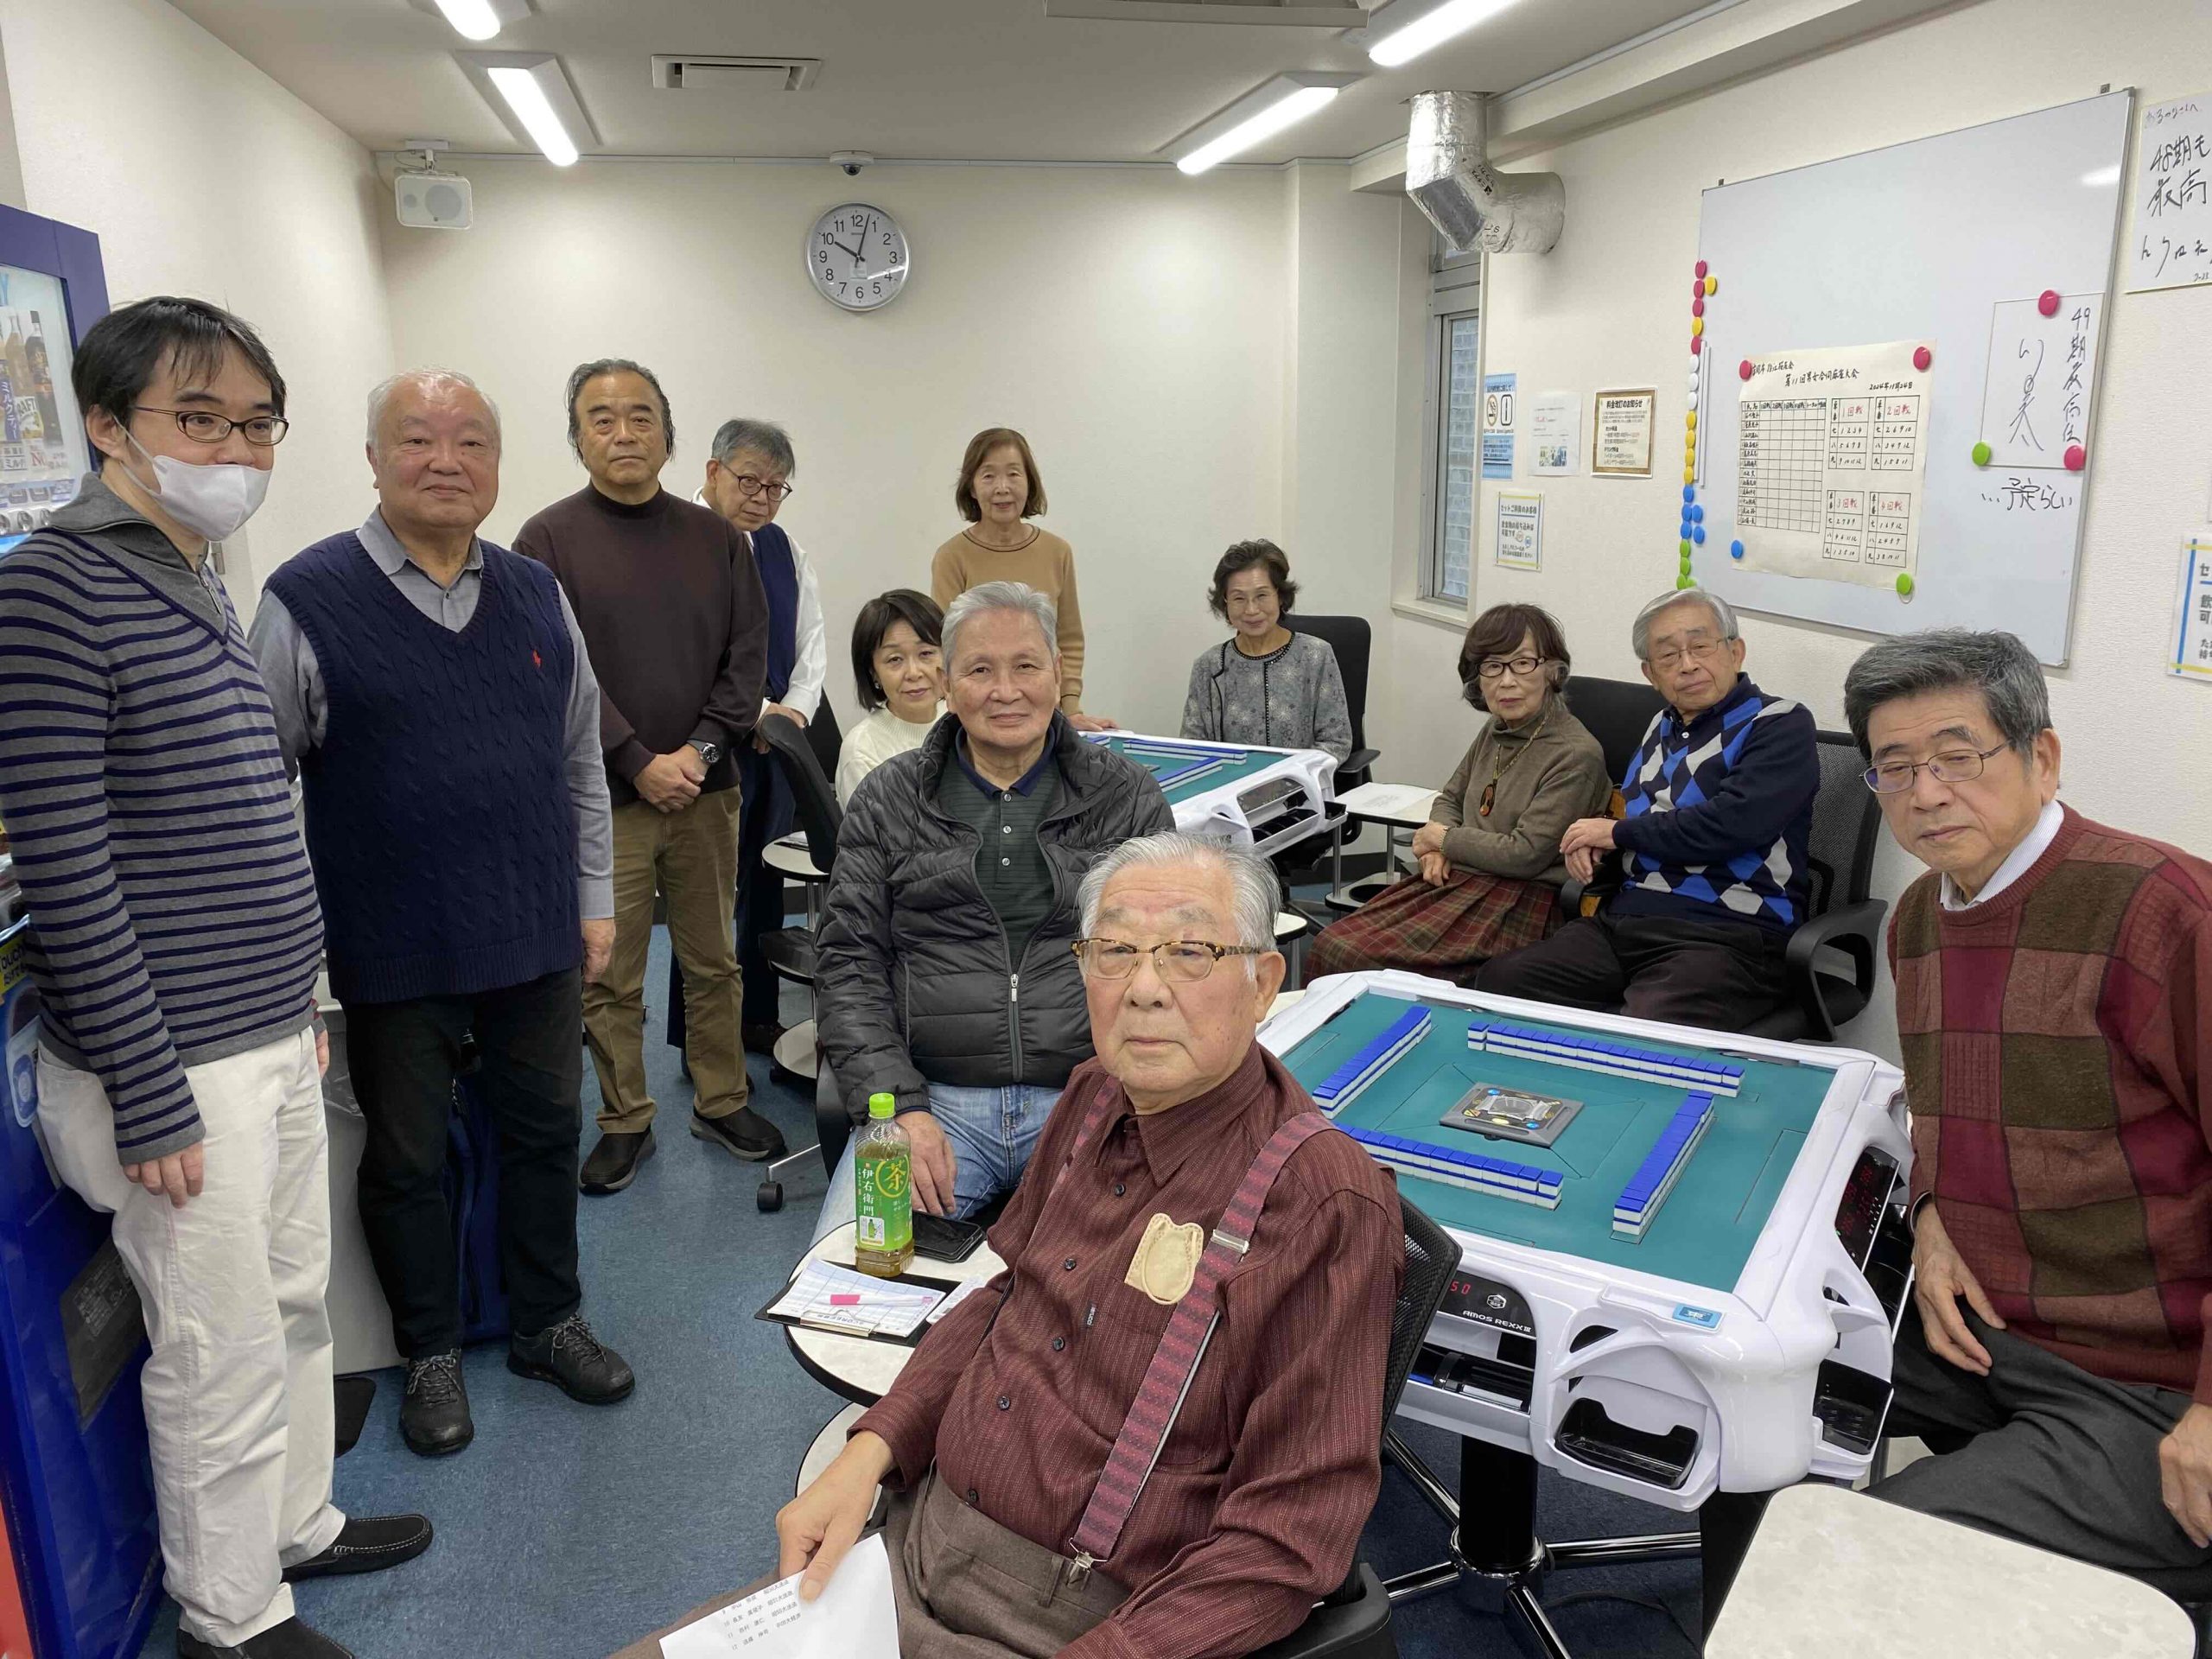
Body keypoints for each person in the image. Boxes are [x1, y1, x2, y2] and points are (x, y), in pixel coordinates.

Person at [620, 833, 1403, 1659]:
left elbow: (1287, 1540)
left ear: (1263, 983)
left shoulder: (1324, 1205)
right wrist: (871, 1450)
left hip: (1078, 1626)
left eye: (1190, 952)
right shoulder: (1094, 1096)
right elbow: (1005, 1296)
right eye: (1115, 951)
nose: (1144, 989)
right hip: (911, 1539)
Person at [0, 297, 427, 1659]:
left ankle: (293, 1524)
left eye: (257, 425)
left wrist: (301, 1000)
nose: (236, 452)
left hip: (265, 1033)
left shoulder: (192, 571)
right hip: (173, 1066)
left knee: (295, 1298)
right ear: (108, 427)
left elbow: (231, 816)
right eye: (200, 421)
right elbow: (67, 863)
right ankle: (229, 1616)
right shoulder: (52, 588)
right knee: (217, 1342)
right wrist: (147, 1087)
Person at [251, 370, 633, 1460]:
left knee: (545, 1132)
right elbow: (260, 784)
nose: (446, 460)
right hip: (390, 943)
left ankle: (548, 1321)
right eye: (417, 439)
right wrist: (293, 953)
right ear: (373, 459)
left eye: (472, 441)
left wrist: (594, 903)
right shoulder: (305, 596)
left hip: (534, 927)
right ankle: (427, 1351)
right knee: (408, 1157)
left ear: (498, 464)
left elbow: (579, 761)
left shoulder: (536, 593)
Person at [1842, 629, 2212, 1579]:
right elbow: (1939, 1109)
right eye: (1895, 767)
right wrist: (1930, 1214)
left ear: (2041, 758)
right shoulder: (1920, 919)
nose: (1926, 793)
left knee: (1865, 1563)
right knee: (1735, 1390)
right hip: (1983, 1330)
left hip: (2150, 1380)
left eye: (1957, 756)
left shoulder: (2162, 911)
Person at [813, 582, 1173, 1224]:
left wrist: (1135, 1097)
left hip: (1091, 1099)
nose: (1005, 691)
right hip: (931, 1102)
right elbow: (849, 964)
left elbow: (1167, 957)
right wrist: (898, 1109)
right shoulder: (888, 799)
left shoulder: (1125, 797)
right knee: (851, 1275)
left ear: (1057, 673)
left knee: (1151, 1273)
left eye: (1025, 666)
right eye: (980, 670)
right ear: (948, 684)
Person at [515, 359, 777, 1195]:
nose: (623, 433)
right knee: (610, 971)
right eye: (602, 418)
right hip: (603, 801)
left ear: (668, 434)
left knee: (714, 961)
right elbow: (548, 670)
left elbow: (747, 659)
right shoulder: (545, 541)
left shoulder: (718, 540)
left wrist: (697, 754)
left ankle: (722, 1099)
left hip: (707, 791)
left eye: (640, 417)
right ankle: (625, 1120)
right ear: (577, 437)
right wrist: (634, 758)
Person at [1476, 586, 1818, 1031]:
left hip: (1732, 932)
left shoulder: (1779, 722)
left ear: (1735, 651)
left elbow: (1732, 824)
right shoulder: (1660, 725)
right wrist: (1604, 846)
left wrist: (1616, 834)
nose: (1687, 664)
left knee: (1646, 1030)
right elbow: (1648, 818)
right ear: (1650, 674)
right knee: (1500, 983)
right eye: (1668, 656)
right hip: (1629, 920)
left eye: (1700, 646)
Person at [1309, 603, 1608, 982]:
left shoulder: (1576, 754)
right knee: (1332, 941)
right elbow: (1450, 798)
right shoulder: (1498, 729)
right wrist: (1437, 847)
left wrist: (1443, 840)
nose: (1507, 681)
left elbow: (1525, 854)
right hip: (1461, 878)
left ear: (1552, 670)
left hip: (1520, 899)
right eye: (1493, 666)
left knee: (1360, 961)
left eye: (1523, 663)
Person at [677, 418, 826, 1058]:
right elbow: (684, 647)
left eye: (776, 487)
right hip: (705, 744)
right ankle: (698, 1038)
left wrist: (792, 712)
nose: (763, 498)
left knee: (767, 881)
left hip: (776, 746)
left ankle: (759, 1017)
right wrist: (756, 711)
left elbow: (811, 639)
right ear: (713, 472)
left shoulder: (784, 549)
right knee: (705, 896)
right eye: (749, 482)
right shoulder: (677, 539)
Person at [929, 426, 1115, 731]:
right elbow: (945, 647)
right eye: (988, 476)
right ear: (971, 488)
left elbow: (1068, 638)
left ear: (1030, 482)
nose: (1002, 487)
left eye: (1014, 474)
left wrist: (1070, 707)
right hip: (978, 718)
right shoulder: (951, 556)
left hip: (1045, 715)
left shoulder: (1057, 551)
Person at [1179, 538, 1351, 762]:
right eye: (1239, 598)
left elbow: (1336, 742)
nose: (1251, 610)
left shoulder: (1316, 655)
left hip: (1299, 781)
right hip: (1231, 783)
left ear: (1280, 596)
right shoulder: (1209, 666)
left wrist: (1288, 776)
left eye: (1261, 595)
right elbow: (1192, 747)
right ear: (1225, 602)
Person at [835, 588, 945, 807]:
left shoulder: (964, 722)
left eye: (926, 653)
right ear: (873, 672)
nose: (913, 672)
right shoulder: (862, 752)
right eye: (895, 659)